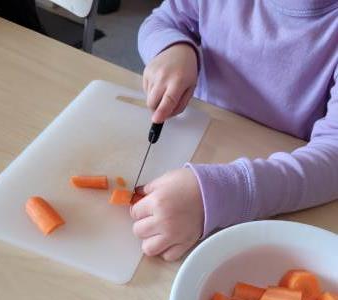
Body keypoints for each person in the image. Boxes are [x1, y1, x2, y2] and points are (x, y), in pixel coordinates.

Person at [131, 0, 338, 262]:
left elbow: (333, 159)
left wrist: (225, 194)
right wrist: (173, 48)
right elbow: (162, 21)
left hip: (276, 192)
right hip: (197, 149)